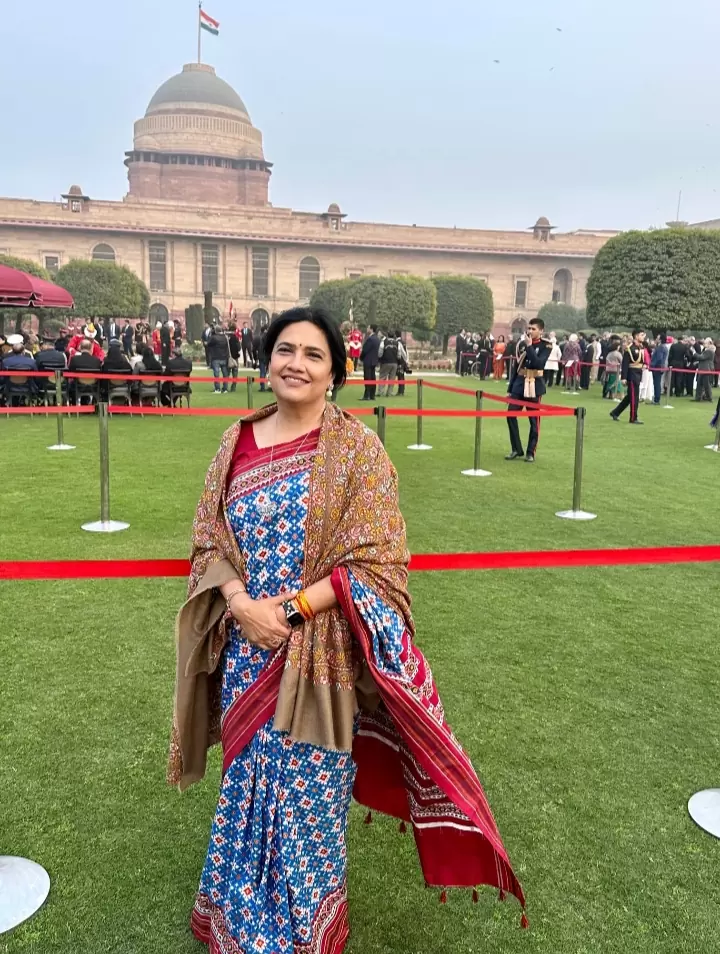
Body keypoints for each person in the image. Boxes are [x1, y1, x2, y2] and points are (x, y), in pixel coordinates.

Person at [167, 305, 525, 953]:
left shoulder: (357, 449)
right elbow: (207, 538)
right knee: (246, 787)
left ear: (335, 371)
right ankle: (234, 918)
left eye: (312, 355)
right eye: (285, 350)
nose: (295, 364)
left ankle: (304, 935)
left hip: (318, 658)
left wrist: (292, 610)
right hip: (248, 649)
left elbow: (378, 559)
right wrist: (241, 602)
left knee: (307, 798)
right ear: (265, 359)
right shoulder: (235, 442)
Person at [505, 318, 551, 463]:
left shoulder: (546, 346)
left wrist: (530, 347)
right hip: (519, 384)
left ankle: (531, 452)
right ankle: (516, 449)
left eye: (533, 329)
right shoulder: (521, 345)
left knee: (534, 421)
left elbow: (539, 363)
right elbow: (517, 367)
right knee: (510, 415)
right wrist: (510, 388)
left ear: (541, 331)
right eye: (529, 328)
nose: (530, 331)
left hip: (535, 386)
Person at [610, 329, 646, 424]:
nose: (643, 337)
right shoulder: (630, 349)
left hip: (637, 375)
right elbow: (625, 364)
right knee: (634, 398)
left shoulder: (640, 347)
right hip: (632, 376)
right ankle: (633, 418)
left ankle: (615, 412)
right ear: (636, 336)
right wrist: (624, 378)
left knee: (630, 397)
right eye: (642, 335)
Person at [377, 331, 405, 397]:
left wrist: (380, 359)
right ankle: (389, 393)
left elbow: (380, 353)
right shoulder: (397, 343)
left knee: (382, 377)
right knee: (392, 378)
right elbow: (399, 354)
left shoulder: (384, 342)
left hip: (385, 362)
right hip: (394, 363)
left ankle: (380, 392)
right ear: (394, 336)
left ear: (387, 335)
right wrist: (397, 359)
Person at [207, 325, 231, 394]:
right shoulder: (225, 337)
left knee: (216, 374)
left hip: (216, 357)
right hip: (224, 357)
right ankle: (225, 388)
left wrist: (211, 335)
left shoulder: (214, 338)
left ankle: (217, 389)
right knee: (225, 374)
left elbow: (208, 344)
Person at [360, 324, 381, 401]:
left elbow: (365, 350)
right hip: (374, 361)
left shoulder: (370, 339)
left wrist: (361, 357)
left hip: (368, 360)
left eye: (368, 327)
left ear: (371, 329)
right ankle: (372, 395)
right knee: (372, 378)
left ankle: (367, 395)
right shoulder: (377, 339)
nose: (367, 329)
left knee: (367, 378)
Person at [649, 334, 669, 405]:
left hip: (657, 367)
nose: (656, 339)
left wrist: (652, 365)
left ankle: (656, 400)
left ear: (660, 339)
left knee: (657, 384)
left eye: (657, 338)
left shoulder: (660, 347)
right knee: (657, 383)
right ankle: (656, 399)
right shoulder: (663, 347)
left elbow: (659, 358)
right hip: (660, 367)